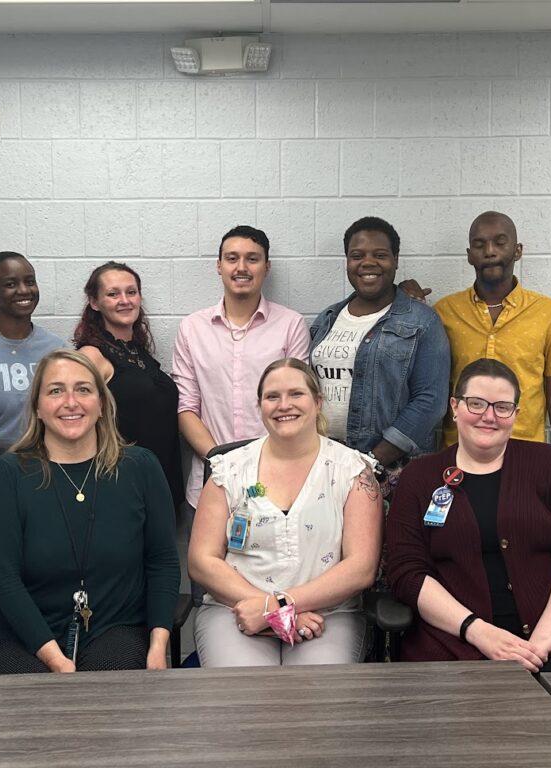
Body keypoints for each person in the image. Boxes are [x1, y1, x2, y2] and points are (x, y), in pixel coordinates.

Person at [387, 358, 551, 672]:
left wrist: (537, 646)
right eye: (476, 403)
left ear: (516, 414)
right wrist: (478, 632)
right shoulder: (419, 476)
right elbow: (406, 570)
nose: (488, 416)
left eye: (502, 407)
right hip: (453, 645)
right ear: (454, 407)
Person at [0, 349, 180, 674]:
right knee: (26, 703)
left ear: (101, 404)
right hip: (21, 634)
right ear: (38, 408)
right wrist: (56, 661)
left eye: (83, 390)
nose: (70, 402)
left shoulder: (140, 467)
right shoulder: (6, 475)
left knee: (108, 692)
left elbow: (163, 562)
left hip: (115, 627)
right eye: (56, 390)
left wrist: (158, 647)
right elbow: (3, 580)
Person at [188, 358, 382, 666]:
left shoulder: (353, 471)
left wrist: (278, 606)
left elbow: (361, 567)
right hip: (236, 608)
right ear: (260, 405)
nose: (284, 405)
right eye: (272, 397)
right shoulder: (229, 468)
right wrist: (269, 609)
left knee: (315, 695)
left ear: (318, 402)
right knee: (244, 693)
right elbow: (202, 560)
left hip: (326, 615)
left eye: (296, 394)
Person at [407, 212, 551, 456]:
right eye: (479, 244)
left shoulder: (549, 313)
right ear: (469, 255)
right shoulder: (445, 312)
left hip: (526, 453)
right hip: (458, 453)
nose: (490, 251)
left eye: (499, 242)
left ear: (517, 250)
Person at [172, 225, 309, 510]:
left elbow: (296, 405)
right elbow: (186, 408)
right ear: (219, 266)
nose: (241, 267)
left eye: (252, 258)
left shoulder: (290, 325)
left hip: (278, 483)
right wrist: (221, 462)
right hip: (211, 483)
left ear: (266, 267)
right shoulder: (192, 328)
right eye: (232, 258)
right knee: (206, 556)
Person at [309, 216, 449, 493]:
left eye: (380, 255)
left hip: (392, 471)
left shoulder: (423, 322)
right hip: (326, 466)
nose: (368, 263)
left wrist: (371, 461)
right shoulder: (326, 319)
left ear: (396, 260)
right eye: (357, 255)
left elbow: (431, 402)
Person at [73, 261, 183, 506]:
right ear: (94, 302)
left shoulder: (139, 353)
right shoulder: (92, 356)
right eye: (113, 294)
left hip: (162, 483)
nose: (125, 300)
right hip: (118, 488)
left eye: (131, 292)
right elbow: (72, 423)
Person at [0, 251, 64, 445]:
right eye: (10, 284)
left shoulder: (56, 348)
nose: (24, 290)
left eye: (30, 281)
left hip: (44, 460)